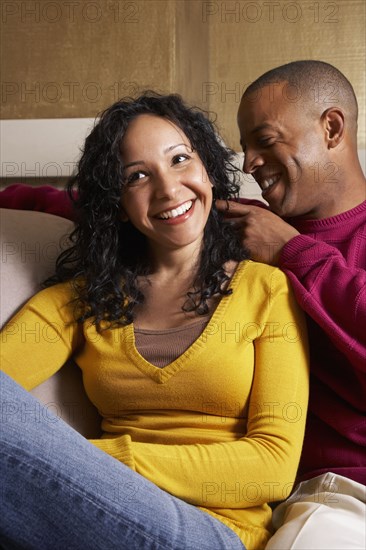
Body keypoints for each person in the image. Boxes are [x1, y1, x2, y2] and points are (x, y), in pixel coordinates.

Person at [0, 93, 309, 550]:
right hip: (89, 518)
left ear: (207, 169)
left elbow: (273, 466)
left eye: (181, 159)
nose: (168, 189)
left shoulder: (266, 291)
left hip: (213, 532)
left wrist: (92, 461)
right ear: (118, 202)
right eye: (138, 176)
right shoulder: (80, 301)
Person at [216, 60, 366, 548]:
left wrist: (291, 252)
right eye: (245, 148)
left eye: (265, 139)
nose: (249, 163)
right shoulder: (247, 229)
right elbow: (151, 206)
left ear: (332, 128)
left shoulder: (279, 242)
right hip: (336, 495)